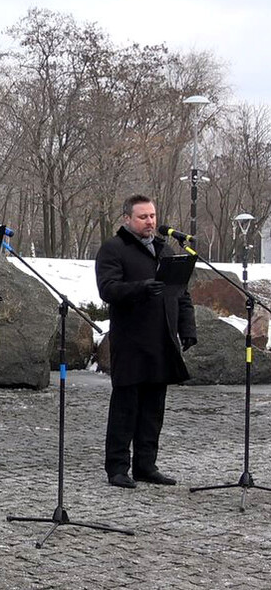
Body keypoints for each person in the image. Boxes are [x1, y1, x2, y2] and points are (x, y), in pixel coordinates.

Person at [95, 194, 196, 488]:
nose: (150, 221)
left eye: (152, 216)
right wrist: (140, 288)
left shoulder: (165, 250)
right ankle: (117, 468)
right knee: (125, 407)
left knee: (154, 408)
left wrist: (187, 327)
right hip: (131, 341)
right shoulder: (114, 249)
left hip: (162, 340)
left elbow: (181, 293)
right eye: (143, 217)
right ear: (127, 219)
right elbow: (107, 289)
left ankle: (146, 465)